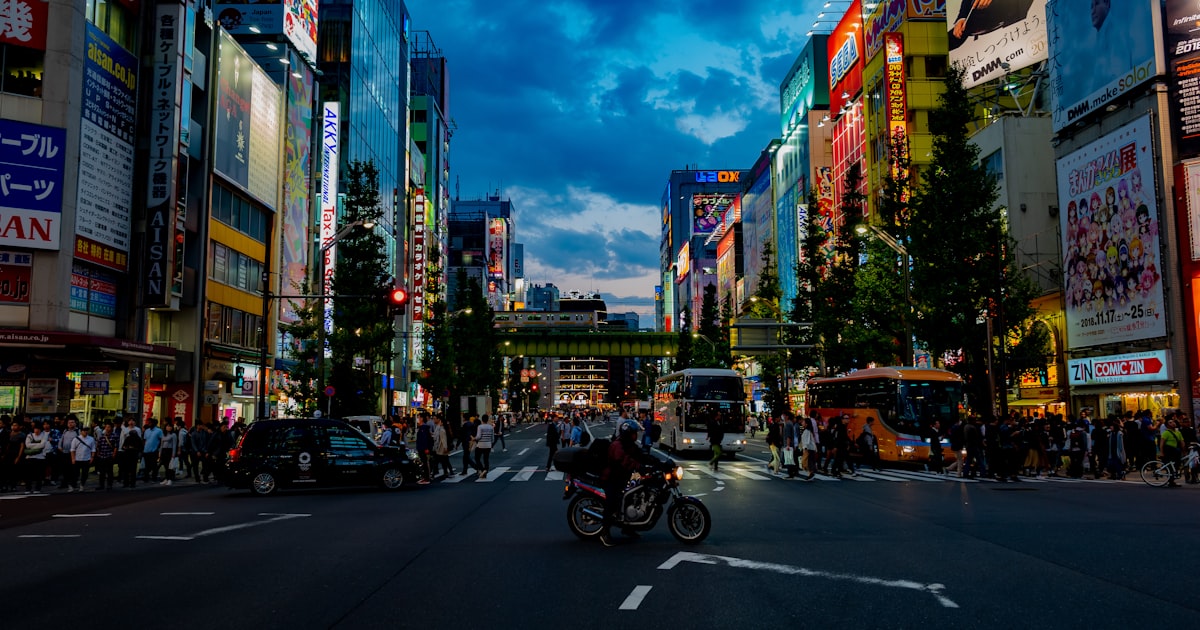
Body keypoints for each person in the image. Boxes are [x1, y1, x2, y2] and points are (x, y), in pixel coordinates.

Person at [599, 420, 650, 547]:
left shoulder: (630, 445)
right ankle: (604, 532)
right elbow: (625, 461)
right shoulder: (617, 445)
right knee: (613, 502)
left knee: (634, 495)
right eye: (634, 433)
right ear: (628, 434)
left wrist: (658, 463)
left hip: (623, 477)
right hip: (611, 478)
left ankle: (628, 528)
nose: (636, 436)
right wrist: (639, 466)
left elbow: (640, 455)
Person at [22, 423, 50, 493]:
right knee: (29, 474)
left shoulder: (44, 435)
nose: (36, 430)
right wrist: (38, 444)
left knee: (39, 474)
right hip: (30, 457)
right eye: (35, 429)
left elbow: (43, 445)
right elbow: (27, 445)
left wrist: (33, 445)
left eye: (38, 429)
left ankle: (37, 488)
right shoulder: (30, 435)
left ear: (41, 430)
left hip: (40, 457)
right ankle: (28, 489)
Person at [69, 425, 97, 491]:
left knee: (85, 474)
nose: (85, 432)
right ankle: (73, 486)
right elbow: (72, 449)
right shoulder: (76, 439)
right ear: (81, 431)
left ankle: (82, 485)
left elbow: (93, 449)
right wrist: (73, 459)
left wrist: (92, 457)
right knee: (75, 474)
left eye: (87, 430)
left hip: (86, 459)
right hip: (77, 459)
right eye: (84, 430)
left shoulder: (91, 439)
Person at [1160, 417, 1185, 488]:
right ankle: (1171, 481)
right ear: (1167, 425)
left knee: (1177, 464)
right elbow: (1161, 443)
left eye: (1173, 422)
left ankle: (1173, 479)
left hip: (1176, 451)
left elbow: (1182, 442)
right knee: (1170, 466)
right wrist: (1161, 452)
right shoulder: (1166, 433)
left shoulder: (1178, 433)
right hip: (1169, 450)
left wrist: (1184, 451)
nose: (1173, 423)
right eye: (1170, 422)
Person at [94, 421, 118, 491]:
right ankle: (101, 485)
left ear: (112, 428)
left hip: (109, 455)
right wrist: (98, 453)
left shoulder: (114, 436)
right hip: (102, 455)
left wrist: (114, 454)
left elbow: (116, 446)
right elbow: (98, 445)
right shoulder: (102, 436)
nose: (107, 428)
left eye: (109, 427)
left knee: (109, 471)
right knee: (102, 472)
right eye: (106, 427)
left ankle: (109, 485)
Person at [141, 418, 164, 483]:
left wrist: (159, 449)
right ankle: (146, 478)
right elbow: (145, 440)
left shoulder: (159, 431)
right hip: (146, 450)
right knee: (147, 465)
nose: (149, 424)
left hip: (154, 450)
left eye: (150, 422)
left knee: (154, 465)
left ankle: (154, 478)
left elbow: (161, 440)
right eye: (148, 422)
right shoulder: (147, 431)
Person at [415, 412, 433, 485]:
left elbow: (425, 439)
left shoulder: (424, 428)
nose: (417, 419)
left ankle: (426, 478)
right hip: (421, 447)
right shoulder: (422, 427)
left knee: (424, 463)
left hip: (423, 448)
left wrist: (426, 448)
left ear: (422, 418)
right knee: (423, 463)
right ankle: (425, 477)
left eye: (418, 417)